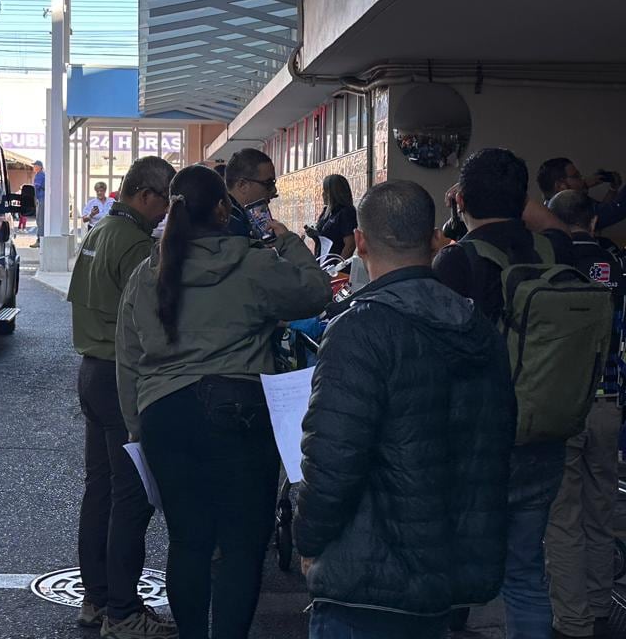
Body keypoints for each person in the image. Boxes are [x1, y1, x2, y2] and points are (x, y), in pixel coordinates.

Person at [117, 165, 330, 639]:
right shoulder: (253, 262)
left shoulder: (146, 273)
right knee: (240, 545)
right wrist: (285, 239)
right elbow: (314, 293)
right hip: (240, 410)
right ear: (221, 209)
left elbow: (128, 356)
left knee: (188, 542)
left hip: (164, 416)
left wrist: (137, 424)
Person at [296, 180, 516, 639]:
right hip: (446, 574)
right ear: (435, 238)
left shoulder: (359, 330)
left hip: (365, 578)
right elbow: (494, 444)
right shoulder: (476, 328)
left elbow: (333, 459)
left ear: (359, 243)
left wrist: (309, 540)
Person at [432, 148, 577, 639]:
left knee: (449, 571)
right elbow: (546, 219)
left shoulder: (456, 261)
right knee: (525, 573)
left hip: (473, 440)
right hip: (544, 431)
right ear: (523, 201)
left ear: (461, 200)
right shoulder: (558, 249)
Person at [67, 157, 178, 639]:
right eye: (165, 202)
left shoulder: (99, 232)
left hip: (91, 370)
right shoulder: (135, 245)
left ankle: (95, 600)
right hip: (120, 378)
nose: (166, 214)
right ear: (147, 195)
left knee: (100, 490)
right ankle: (123, 612)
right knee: (130, 499)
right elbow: (158, 315)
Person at [542, 191, 626, 639]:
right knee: (601, 510)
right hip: (609, 403)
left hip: (558, 405)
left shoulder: (546, 269)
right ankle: (602, 605)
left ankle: (572, 620)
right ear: (593, 223)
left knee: (563, 518)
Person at [535, 145, 626, 231]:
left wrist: (612, 189)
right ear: (560, 186)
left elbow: (601, 213)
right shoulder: (567, 211)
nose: (582, 179)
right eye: (576, 176)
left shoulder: (549, 211)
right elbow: (617, 209)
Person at [223, 148, 278, 240]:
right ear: (242, 185)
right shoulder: (231, 227)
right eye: (268, 183)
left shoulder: (243, 219)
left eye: (273, 183)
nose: (274, 190)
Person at [304, 174, 357, 260]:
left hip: (335, 266)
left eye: (325, 191)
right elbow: (324, 238)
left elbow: (350, 245)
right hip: (322, 261)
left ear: (334, 193)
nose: (322, 194)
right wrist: (314, 234)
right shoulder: (327, 212)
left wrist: (337, 266)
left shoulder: (346, 212)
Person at [32, 160, 46, 248]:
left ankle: (40, 240)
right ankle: (41, 239)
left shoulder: (40, 175)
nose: (34, 167)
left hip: (41, 199)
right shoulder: (43, 174)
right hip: (42, 199)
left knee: (40, 220)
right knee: (40, 220)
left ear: (40, 167)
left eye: (36, 165)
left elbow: (36, 188)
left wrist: (34, 199)